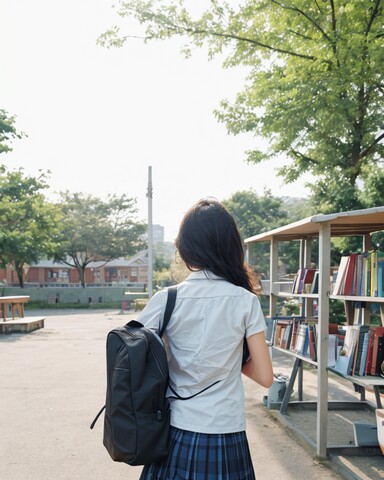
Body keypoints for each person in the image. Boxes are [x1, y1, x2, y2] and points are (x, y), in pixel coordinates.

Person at [138, 197, 274, 480]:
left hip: (173, 431)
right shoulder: (245, 301)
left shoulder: (166, 300)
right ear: (230, 247)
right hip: (225, 433)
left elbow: (134, 352)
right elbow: (265, 376)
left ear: (186, 248)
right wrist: (228, 358)